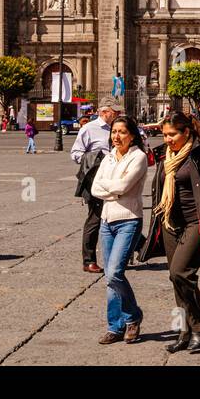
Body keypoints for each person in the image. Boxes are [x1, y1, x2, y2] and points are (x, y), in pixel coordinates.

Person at [138, 112, 200, 354]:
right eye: (164, 134)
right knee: (177, 279)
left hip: (194, 223)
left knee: (180, 272)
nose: (167, 139)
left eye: (172, 134)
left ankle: (198, 326)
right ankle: (185, 330)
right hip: (169, 223)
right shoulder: (165, 156)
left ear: (186, 132)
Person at [90, 115, 149, 345]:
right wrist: (114, 191)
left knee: (114, 272)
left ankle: (133, 316)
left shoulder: (139, 157)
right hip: (106, 221)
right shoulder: (108, 158)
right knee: (110, 277)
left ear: (132, 135)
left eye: (122, 132)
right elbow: (95, 188)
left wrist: (111, 188)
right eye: (114, 132)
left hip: (129, 220)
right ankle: (115, 326)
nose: (117, 136)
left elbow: (125, 187)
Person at [71, 104, 116, 273]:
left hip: (117, 179)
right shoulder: (89, 129)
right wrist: (97, 158)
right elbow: (75, 153)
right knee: (95, 219)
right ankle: (88, 260)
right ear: (104, 112)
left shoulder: (118, 127)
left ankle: (136, 250)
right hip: (96, 179)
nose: (118, 114)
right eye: (115, 112)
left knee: (123, 216)